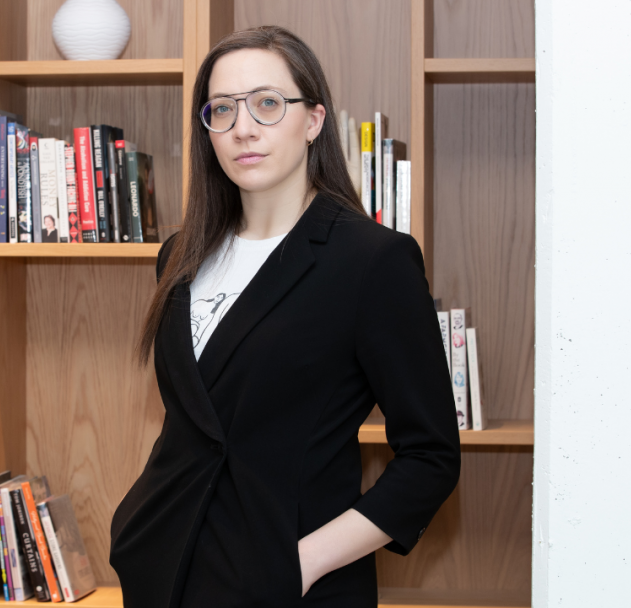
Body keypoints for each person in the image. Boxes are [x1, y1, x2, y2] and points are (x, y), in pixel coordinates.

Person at [108, 25, 461, 608]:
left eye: (268, 104)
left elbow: (431, 458)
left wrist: (300, 564)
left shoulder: (373, 261)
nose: (243, 127)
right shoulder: (179, 255)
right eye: (221, 110)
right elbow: (191, 429)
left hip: (290, 586)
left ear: (314, 120)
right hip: (163, 570)